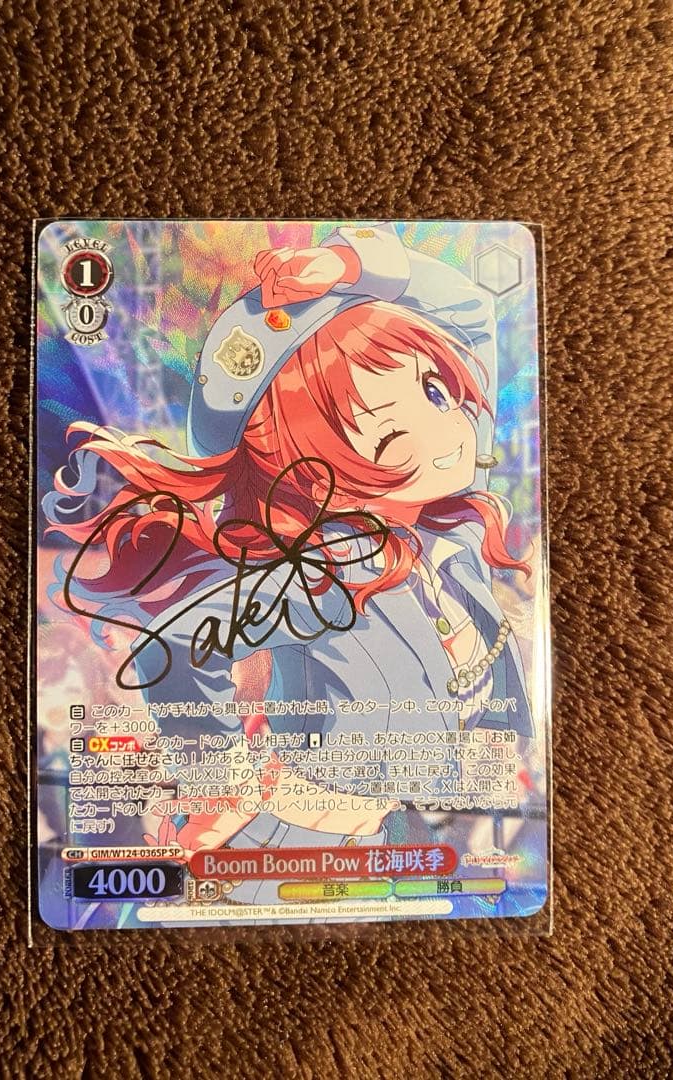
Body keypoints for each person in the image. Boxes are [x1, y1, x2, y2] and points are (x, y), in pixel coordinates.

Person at [45, 223, 534, 887]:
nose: (446, 436)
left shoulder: (449, 532)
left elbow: (468, 312)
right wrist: (217, 781)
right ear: (296, 465)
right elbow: (173, 642)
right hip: (291, 847)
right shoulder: (321, 573)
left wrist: (349, 267)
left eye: (436, 393)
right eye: (388, 435)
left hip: (396, 834)